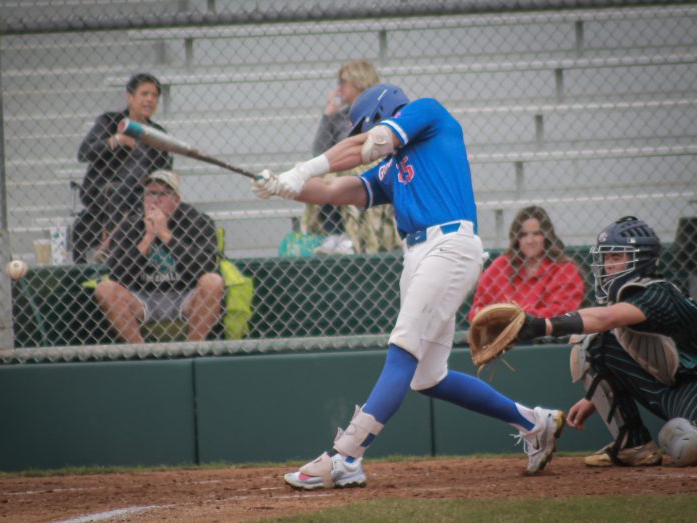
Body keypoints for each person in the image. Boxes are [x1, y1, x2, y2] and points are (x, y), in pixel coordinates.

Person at [253, 83, 566, 489]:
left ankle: (347, 456)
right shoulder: (390, 166)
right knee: (428, 377)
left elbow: (368, 145)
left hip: (449, 245)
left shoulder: (426, 113)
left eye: (367, 129)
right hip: (417, 255)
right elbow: (335, 191)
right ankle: (535, 423)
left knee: (403, 348)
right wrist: (284, 187)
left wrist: (303, 169)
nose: (365, 138)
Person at [515, 216, 697, 467]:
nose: (608, 265)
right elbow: (612, 337)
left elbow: (606, 317)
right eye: (606, 258)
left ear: (641, 259)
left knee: (684, 442)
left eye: (616, 257)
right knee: (593, 342)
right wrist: (594, 398)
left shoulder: (658, 292)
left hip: (692, 390)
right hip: (670, 390)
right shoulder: (625, 295)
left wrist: (543, 325)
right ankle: (632, 445)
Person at [95, 170, 224, 343]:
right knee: (105, 288)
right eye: (150, 193)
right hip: (142, 297)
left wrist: (164, 234)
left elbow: (205, 266)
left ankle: (193, 348)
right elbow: (117, 275)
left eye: (163, 194)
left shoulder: (198, 221)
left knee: (212, 282)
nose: (155, 199)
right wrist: (148, 238)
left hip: (185, 294)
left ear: (176, 200)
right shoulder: (129, 226)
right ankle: (140, 352)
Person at [72, 72, 173, 263]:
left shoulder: (157, 133)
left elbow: (164, 171)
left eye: (154, 96)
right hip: (104, 191)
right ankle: (109, 249)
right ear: (130, 96)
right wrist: (116, 140)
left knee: (136, 196)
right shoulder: (110, 122)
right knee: (118, 191)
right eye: (144, 94)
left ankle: (109, 247)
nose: (150, 99)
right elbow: (84, 152)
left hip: (140, 196)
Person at [304, 59, 400, 255]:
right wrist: (328, 114)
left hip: (374, 172)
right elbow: (319, 152)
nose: (338, 88)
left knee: (350, 172)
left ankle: (360, 237)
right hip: (343, 174)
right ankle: (338, 235)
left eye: (342, 82)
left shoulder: (382, 112)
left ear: (359, 82)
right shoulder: (340, 117)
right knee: (321, 175)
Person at [468, 205, 585, 322]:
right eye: (523, 235)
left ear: (547, 236)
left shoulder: (564, 270)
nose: (530, 241)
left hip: (546, 336)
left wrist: (515, 317)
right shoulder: (500, 266)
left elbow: (562, 313)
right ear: (517, 238)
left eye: (536, 234)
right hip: (501, 335)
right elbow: (477, 311)